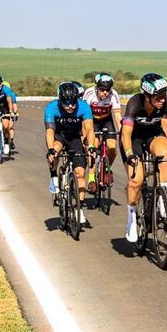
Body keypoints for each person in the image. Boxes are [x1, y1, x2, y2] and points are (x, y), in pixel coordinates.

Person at [121, 73, 167, 242]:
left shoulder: (166, 103)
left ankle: (161, 197)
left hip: (153, 134)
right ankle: (131, 218)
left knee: (165, 154)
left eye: (164, 95)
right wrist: (129, 154)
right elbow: (126, 133)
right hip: (133, 139)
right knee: (136, 181)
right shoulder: (134, 103)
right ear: (147, 96)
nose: (162, 100)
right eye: (158, 97)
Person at [44, 82, 95, 225]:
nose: (71, 106)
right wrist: (51, 150)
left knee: (80, 173)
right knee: (54, 151)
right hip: (59, 136)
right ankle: (54, 175)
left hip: (75, 138)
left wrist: (91, 146)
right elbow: (50, 131)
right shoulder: (51, 108)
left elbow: (89, 129)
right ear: (60, 100)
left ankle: (79, 208)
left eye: (73, 103)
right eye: (67, 104)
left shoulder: (84, 106)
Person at [82, 73, 122, 192]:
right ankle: (91, 178)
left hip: (106, 120)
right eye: (102, 90)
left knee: (112, 148)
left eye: (107, 90)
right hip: (92, 121)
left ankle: (107, 169)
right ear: (96, 88)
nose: (105, 92)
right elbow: (84, 118)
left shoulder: (113, 95)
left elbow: (117, 116)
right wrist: (84, 135)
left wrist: (122, 132)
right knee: (93, 147)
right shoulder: (89, 94)